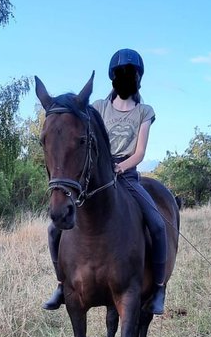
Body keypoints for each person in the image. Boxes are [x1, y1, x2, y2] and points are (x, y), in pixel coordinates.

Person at [43, 48, 169, 315]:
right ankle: (60, 284)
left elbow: (140, 152)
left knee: (157, 223)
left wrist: (121, 167)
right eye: (121, 74)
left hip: (128, 175)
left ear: (137, 78)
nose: (125, 78)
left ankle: (158, 288)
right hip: (98, 176)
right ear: (113, 78)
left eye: (130, 74)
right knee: (54, 230)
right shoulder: (98, 106)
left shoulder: (144, 111)